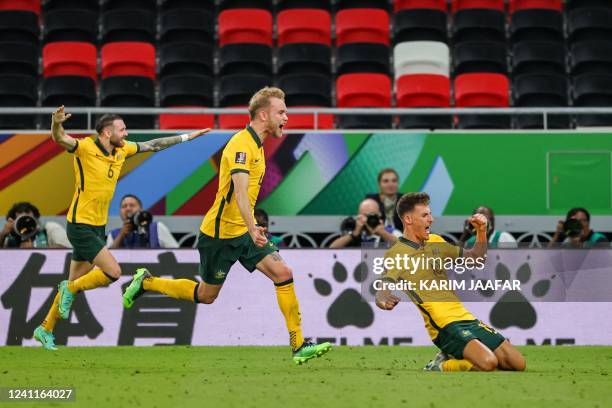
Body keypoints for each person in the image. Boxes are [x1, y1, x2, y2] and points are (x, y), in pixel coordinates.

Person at [122, 87, 332, 365]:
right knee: (207, 295)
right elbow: (240, 192)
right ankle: (146, 281)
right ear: (263, 114)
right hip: (219, 234)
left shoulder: (256, 145)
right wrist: (253, 226)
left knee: (283, 273)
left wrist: (249, 228)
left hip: (243, 231)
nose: (286, 118)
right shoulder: (240, 145)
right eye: (281, 112)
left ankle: (298, 345)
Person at [32, 106, 209, 350]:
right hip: (80, 225)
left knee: (75, 281)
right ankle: (69, 289)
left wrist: (187, 137)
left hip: (97, 226)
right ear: (106, 132)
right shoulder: (85, 148)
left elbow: (154, 145)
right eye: (122, 129)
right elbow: (59, 138)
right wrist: (55, 123)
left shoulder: (122, 150)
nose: (126, 134)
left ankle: (45, 328)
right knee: (112, 273)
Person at [375, 192, 526, 372]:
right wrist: (384, 300)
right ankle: (440, 365)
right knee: (488, 363)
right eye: (424, 215)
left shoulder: (436, 241)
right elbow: (382, 290)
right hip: (442, 325)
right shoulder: (397, 253)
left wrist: (481, 231)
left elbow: (476, 259)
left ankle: (455, 354)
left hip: (465, 317)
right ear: (408, 219)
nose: (431, 219)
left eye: (430, 214)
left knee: (517, 364)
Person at [107, 194, 179, 249]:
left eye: (132, 205)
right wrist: (121, 235)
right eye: (124, 206)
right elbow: (107, 260)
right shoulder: (113, 234)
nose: (128, 209)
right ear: (120, 212)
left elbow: (177, 252)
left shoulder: (157, 228)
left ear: (141, 209)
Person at [329, 198, 400, 248]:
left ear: (379, 215)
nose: (368, 219)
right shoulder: (355, 234)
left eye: (372, 215)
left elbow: (406, 250)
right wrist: (354, 234)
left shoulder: (392, 232)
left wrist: (382, 233)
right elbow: (331, 249)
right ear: (358, 216)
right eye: (364, 215)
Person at [1, 202, 71, 248]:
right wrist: (3, 234)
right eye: (21, 222)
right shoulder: (11, 237)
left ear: (36, 219)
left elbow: (68, 250)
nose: (26, 225)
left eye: (29, 220)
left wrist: (34, 249)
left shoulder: (49, 228)